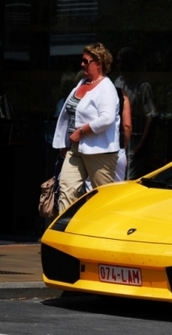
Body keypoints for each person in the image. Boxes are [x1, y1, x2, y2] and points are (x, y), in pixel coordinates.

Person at [51, 42, 120, 213]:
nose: (82, 64)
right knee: (66, 189)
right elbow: (70, 114)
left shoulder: (106, 88)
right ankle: (66, 233)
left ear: (99, 63)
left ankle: (103, 234)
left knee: (102, 198)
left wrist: (81, 132)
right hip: (75, 149)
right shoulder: (82, 83)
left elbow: (107, 118)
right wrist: (65, 143)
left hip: (100, 151)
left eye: (86, 61)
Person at [114, 47, 157, 179]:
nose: (120, 66)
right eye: (118, 62)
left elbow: (152, 116)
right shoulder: (118, 82)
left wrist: (141, 145)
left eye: (123, 62)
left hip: (135, 141)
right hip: (118, 140)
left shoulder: (142, 86)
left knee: (131, 178)